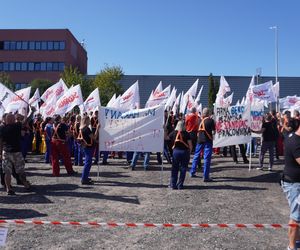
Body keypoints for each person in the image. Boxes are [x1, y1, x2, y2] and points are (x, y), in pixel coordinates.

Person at [0, 113, 31, 195]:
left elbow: (1, 142)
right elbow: (26, 121)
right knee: (20, 170)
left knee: (7, 172)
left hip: (6, 152)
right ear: (13, 120)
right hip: (16, 152)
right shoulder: (17, 126)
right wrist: (32, 112)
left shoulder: (2, 128)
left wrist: (0, 153)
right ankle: (26, 184)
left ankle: (8, 188)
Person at [281, 119, 300, 250]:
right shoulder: (295, 141)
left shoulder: (291, 136)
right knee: (296, 217)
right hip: (294, 184)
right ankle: (292, 247)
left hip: (294, 182)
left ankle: (297, 242)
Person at [189, 107, 215, 182]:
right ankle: (206, 176)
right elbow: (213, 132)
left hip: (200, 140)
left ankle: (192, 172)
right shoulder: (211, 121)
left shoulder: (199, 120)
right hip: (207, 140)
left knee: (196, 156)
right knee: (207, 158)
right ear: (209, 113)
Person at [169, 121, 192, 189]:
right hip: (184, 152)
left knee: (174, 169)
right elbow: (190, 145)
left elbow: (166, 138)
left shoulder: (173, 133)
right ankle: (180, 185)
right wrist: (189, 152)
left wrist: (164, 130)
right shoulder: (187, 134)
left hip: (176, 152)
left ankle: (173, 184)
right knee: (183, 169)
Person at [77, 115, 99, 185]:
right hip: (88, 147)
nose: (90, 121)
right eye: (89, 120)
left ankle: (85, 177)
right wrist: (97, 129)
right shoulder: (86, 129)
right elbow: (94, 137)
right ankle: (84, 179)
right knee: (88, 163)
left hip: (85, 146)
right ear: (86, 120)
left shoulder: (81, 128)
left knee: (87, 162)